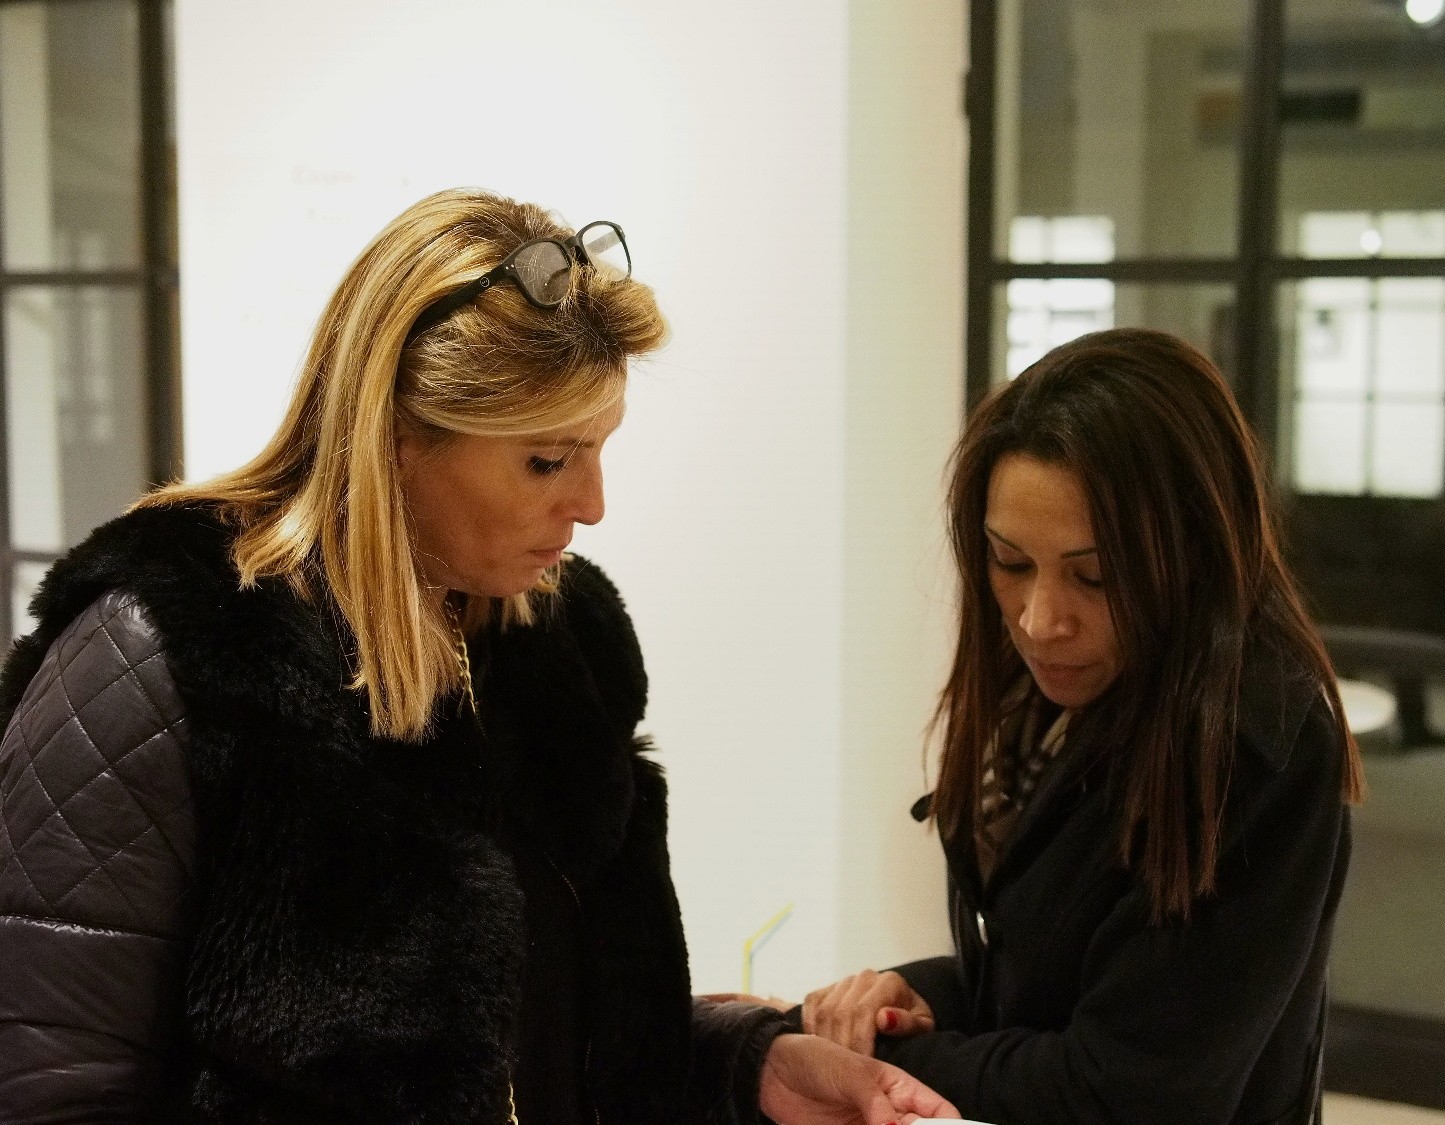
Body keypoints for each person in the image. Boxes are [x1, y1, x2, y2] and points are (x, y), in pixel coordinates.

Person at [0, 188, 957, 1124]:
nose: (592, 504)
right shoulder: (166, 652)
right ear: (395, 438)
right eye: (548, 459)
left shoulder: (562, 642)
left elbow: (565, 1045)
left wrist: (753, 1068)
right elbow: (48, 1088)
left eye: (601, 449)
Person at [793, 329, 1364, 1124]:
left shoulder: (1254, 744)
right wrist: (906, 1001)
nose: (1039, 619)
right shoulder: (1050, 690)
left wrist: (861, 1060)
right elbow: (1041, 971)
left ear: (1193, 554)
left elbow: (1129, 1090)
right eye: (1010, 562)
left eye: (1094, 575)